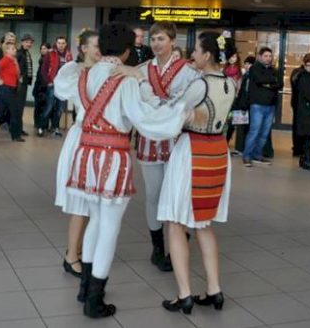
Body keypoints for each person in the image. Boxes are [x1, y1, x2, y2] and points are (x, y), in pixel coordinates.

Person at [64, 22, 186, 318]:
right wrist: (180, 112)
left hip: (85, 153)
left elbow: (60, 87)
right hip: (112, 157)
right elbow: (147, 119)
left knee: (95, 220)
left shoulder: (86, 73)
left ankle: (85, 288)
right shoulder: (126, 80)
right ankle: (95, 298)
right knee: (109, 225)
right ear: (128, 50)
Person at [158, 31, 236, 314]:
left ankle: (185, 294)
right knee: (203, 223)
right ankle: (214, 289)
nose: (193, 54)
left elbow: (173, 114)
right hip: (218, 152)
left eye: (197, 50)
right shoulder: (231, 83)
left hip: (193, 151)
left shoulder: (199, 84)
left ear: (207, 55)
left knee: (176, 223)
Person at [135, 22, 199, 272]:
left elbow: (191, 102)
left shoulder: (188, 71)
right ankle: (157, 247)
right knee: (153, 194)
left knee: (176, 194)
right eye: (153, 39)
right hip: (150, 138)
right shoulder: (142, 69)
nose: (156, 44)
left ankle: (177, 243)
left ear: (173, 40)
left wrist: (161, 105)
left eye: (161, 39)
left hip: (176, 139)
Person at [53, 29, 100, 278]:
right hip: (82, 136)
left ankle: (79, 250)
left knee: (91, 201)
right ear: (83, 48)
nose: (99, 49)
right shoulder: (73, 71)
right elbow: (61, 91)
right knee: (81, 201)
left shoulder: (106, 70)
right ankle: (72, 255)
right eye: (95, 45)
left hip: (100, 139)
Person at [242, 47, 282, 167]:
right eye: (265, 56)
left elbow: (280, 83)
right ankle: (247, 156)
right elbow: (260, 80)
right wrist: (272, 82)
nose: (268, 58)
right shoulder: (254, 68)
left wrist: (268, 83)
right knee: (254, 131)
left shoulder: (274, 69)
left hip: (271, 106)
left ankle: (257, 155)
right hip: (257, 105)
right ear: (260, 56)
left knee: (264, 133)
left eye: (270, 56)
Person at [0, 42, 24, 142]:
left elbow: (18, 75)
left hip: (11, 88)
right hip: (6, 89)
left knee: (0, 112)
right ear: (6, 50)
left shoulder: (13, 61)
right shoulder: (5, 60)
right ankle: (16, 136)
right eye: (11, 49)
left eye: (14, 48)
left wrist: (16, 63)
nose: (14, 50)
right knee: (15, 111)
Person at [38, 36, 72, 137]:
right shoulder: (51, 53)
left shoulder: (69, 55)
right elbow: (44, 69)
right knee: (49, 106)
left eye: (63, 43)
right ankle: (41, 127)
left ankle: (55, 128)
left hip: (63, 86)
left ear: (66, 44)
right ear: (56, 44)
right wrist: (48, 81)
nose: (61, 45)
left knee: (60, 108)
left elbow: (71, 71)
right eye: (59, 43)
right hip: (52, 84)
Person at [232, 55, 256, 159]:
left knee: (245, 128)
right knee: (240, 128)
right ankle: (239, 148)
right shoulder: (245, 75)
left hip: (246, 106)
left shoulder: (251, 76)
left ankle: (242, 149)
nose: (247, 66)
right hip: (241, 105)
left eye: (249, 64)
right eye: (246, 63)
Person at [290, 55, 310, 158]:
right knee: (299, 126)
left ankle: (302, 148)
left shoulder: (297, 72)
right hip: (299, 103)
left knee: (302, 126)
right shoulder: (300, 73)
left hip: (298, 103)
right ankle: (299, 148)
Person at [16, 34, 35, 136]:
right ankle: (17, 129)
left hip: (24, 83)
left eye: (30, 42)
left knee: (21, 106)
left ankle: (19, 128)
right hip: (20, 83)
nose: (29, 44)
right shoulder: (19, 53)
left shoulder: (26, 53)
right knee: (19, 106)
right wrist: (20, 78)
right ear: (22, 42)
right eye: (27, 42)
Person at [223, 51, 242, 146]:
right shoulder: (224, 68)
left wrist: (237, 94)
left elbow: (239, 85)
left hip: (234, 100)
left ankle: (227, 141)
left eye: (234, 56)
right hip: (224, 98)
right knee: (224, 121)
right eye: (230, 56)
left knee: (232, 123)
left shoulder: (239, 70)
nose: (232, 58)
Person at [33, 43, 50, 132]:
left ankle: (42, 124)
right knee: (38, 106)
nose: (43, 50)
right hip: (39, 86)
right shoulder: (42, 59)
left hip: (44, 86)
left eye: (45, 48)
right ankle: (38, 123)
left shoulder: (48, 60)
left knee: (43, 106)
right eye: (42, 49)